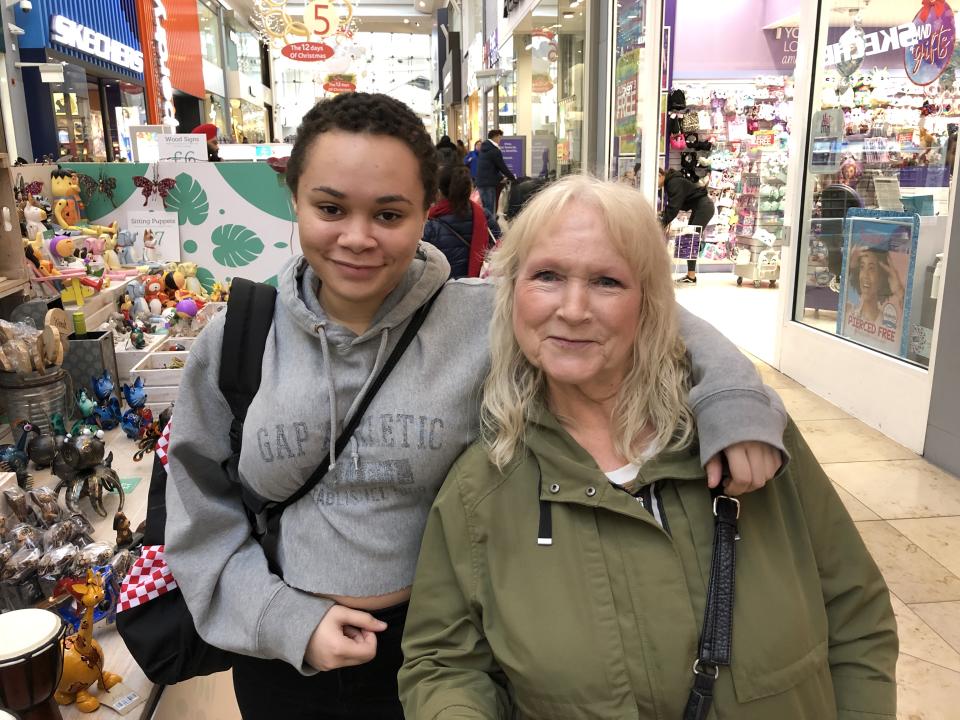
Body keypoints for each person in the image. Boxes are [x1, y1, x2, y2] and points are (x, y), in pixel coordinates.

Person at [165, 93, 787, 720]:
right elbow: (199, 514)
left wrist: (733, 402)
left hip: (456, 652)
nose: (357, 238)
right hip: (282, 658)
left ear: (425, 211)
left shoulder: (479, 318)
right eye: (330, 208)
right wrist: (285, 621)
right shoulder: (239, 338)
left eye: (388, 213)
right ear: (294, 199)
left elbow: (651, 318)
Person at [399, 175, 898, 720]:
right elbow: (445, 663)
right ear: (511, 291)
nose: (572, 308)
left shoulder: (750, 443)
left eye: (607, 282)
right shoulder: (485, 484)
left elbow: (856, 614)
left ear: (650, 301)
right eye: (546, 276)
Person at [423, 164, 501, 279]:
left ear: (439, 192)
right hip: (479, 286)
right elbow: (498, 246)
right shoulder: (484, 215)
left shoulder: (430, 222)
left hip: (443, 289)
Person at [659, 167, 714, 284]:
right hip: (702, 207)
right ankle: (691, 276)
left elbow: (674, 207)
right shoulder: (673, 181)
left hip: (704, 207)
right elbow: (674, 206)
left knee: (691, 239)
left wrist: (660, 225)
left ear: (660, 175)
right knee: (690, 239)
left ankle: (691, 276)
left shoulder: (673, 183)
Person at [476, 128, 516, 216]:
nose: (500, 140)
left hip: (481, 183)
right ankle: (492, 229)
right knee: (490, 211)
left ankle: (485, 227)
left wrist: (501, 177)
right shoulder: (494, 150)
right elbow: (502, 166)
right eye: (500, 138)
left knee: (485, 209)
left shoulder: (484, 148)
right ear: (496, 137)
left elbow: (489, 167)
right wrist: (513, 178)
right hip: (488, 184)